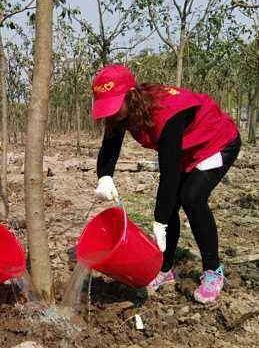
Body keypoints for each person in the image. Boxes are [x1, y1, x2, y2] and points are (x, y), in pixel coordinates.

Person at [91, 64, 240, 304]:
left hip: (215, 142)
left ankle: (213, 271)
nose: (111, 113)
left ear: (131, 96)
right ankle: (166, 269)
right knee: (169, 204)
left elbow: (169, 176)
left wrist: (159, 220)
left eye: (115, 106)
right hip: (185, 149)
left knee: (191, 198)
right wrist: (104, 175)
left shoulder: (165, 113)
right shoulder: (123, 113)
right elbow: (110, 145)